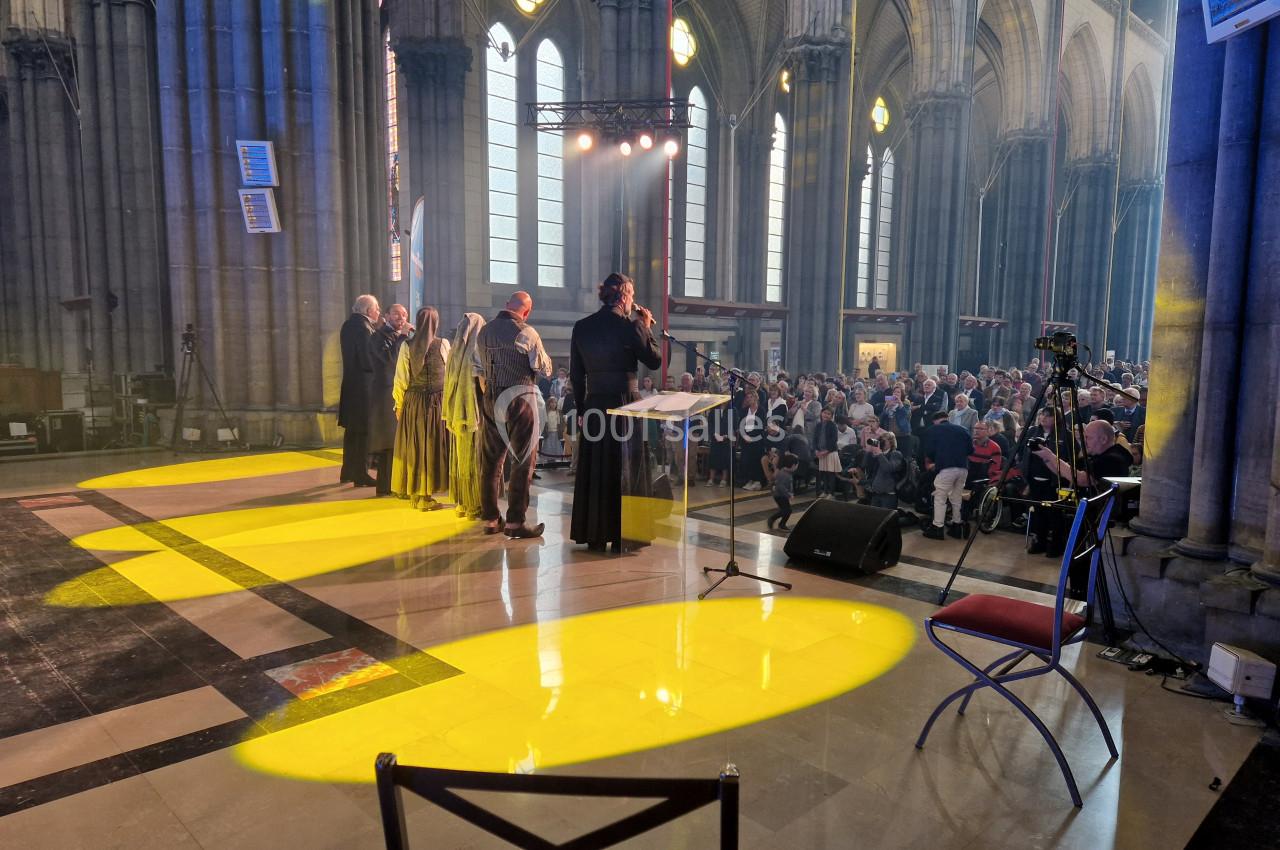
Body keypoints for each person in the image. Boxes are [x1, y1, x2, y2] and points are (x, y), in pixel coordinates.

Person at [569, 273, 662, 551]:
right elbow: (654, 360)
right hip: (626, 404)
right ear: (623, 296)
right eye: (631, 294)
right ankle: (626, 535)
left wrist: (583, 409)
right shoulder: (630, 327)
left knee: (598, 468)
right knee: (626, 468)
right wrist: (646, 327)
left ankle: (596, 534)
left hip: (595, 403)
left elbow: (576, 375)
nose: (633, 300)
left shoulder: (582, 327)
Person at [477, 291, 553, 538]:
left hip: (490, 397)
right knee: (522, 461)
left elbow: (476, 366)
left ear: (506, 305)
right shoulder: (527, 332)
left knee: (490, 461)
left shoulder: (484, 331)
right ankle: (515, 523)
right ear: (526, 311)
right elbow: (543, 368)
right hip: (520, 397)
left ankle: (490, 519)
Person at [391, 306, 450, 510]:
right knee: (430, 448)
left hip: (414, 403)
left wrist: (399, 404)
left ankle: (418, 495)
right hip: (435, 403)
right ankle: (423, 497)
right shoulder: (443, 344)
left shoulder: (407, 345)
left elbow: (401, 379)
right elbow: (449, 376)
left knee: (416, 448)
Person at [443, 312, 486, 519]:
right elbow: (482, 383)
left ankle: (461, 503)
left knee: (459, 458)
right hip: (473, 411)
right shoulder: (476, 350)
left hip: (456, 411)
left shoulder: (453, 352)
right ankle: (474, 505)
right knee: (474, 458)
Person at [338, 294, 380, 488]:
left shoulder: (347, 325)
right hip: (364, 387)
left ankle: (347, 471)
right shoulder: (364, 328)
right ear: (367, 310)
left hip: (351, 385)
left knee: (352, 432)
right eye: (377, 309)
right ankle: (361, 474)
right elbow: (367, 358)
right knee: (363, 432)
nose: (379, 312)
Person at [369, 303, 412, 496]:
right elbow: (390, 361)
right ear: (386, 315)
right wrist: (403, 336)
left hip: (398, 392)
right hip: (385, 395)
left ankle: (395, 484)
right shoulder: (378, 337)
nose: (401, 318)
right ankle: (385, 486)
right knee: (388, 442)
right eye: (396, 314)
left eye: (404, 315)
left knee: (396, 442)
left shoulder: (400, 337)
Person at [922, 411, 972, 540]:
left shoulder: (934, 430)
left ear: (935, 421)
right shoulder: (963, 429)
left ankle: (937, 528)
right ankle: (957, 526)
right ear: (947, 418)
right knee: (956, 498)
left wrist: (934, 461)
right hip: (963, 468)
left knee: (940, 498)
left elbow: (929, 451)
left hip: (946, 468)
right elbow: (971, 450)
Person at [862, 431, 905, 510]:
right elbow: (864, 465)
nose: (881, 442)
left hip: (888, 495)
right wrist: (869, 451)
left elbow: (888, 468)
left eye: (883, 441)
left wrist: (879, 453)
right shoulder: (879, 454)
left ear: (891, 443)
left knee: (887, 519)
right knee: (874, 518)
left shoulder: (896, 454)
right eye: (880, 440)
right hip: (875, 493)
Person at [767, 452, 799, 531]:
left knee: (786, 510)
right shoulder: (785, 474)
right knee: (786, 510)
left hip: (780, 495)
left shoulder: (785, 472)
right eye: (797, 465)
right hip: (780, 496)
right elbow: (781, 487)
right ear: (793, 466)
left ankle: (781, 524)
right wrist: (789, 494)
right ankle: (774, 520)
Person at [813, 406, 840, 498]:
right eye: (824, 413)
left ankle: (831, 493)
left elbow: (834, 440)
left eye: (829, 414)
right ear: (821, 413)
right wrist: (816, 450)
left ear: (831, 416)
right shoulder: (818, 425)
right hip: (821, 453)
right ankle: (825, 491)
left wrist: (826, 451)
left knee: (830, 474)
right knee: (823, 473)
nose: (826, 415)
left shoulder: (833, 426)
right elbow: (815, 439)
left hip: (830, 452)